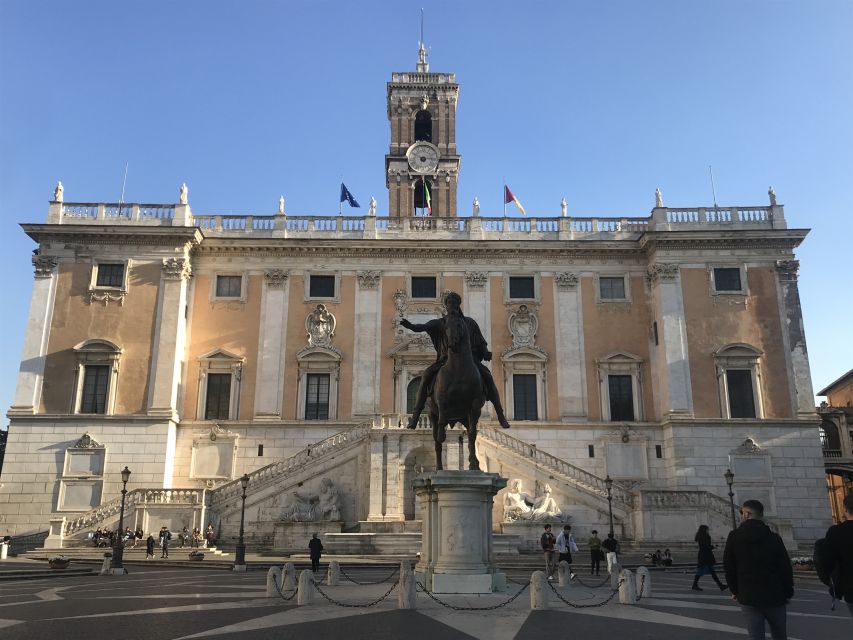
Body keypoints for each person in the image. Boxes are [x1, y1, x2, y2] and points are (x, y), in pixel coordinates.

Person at [401, 291, 510, 430]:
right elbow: (422, 327)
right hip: (445, 360)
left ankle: (500, 415)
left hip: (469, 359)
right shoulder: (441, 323)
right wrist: (410, 326)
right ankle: (415, 417)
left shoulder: (469, 322)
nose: (451, 306)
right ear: (446, 306)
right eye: (449, 303)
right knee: (426, 375)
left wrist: (485, 352)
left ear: (458, 305)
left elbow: (481, 341)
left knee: (488, 376)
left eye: (454, 303)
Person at [723, 500, 793, 640]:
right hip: (775, 594)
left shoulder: (734, 537)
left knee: (755, 636)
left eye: (742, 512)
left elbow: (729, 566)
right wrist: (788, 591)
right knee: (780, 635)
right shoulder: (774, 538)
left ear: (747, 514)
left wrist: (735, 590)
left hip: (748, 594)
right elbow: (785, 566)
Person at [822, 492, 853, 619]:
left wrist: (832, 583)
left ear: (845, 509)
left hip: (850, 586)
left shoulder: (835, 532)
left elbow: (826, 562)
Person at [692, 525, 727, 592]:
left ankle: (720, 585)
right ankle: (694, 585)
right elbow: (706, 546)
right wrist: (713, 547)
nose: (708, 531)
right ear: (705, 530)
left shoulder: (700, 536)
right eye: (707, 529)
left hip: (703, 555)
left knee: (711, 572)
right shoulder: (705, 536)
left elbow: (704, 546)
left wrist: (712, 547)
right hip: (706, 556)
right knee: (701, 571)